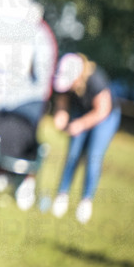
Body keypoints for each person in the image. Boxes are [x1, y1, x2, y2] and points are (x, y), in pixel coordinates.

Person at [50, 52, 121, 224]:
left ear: (78, 76)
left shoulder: (95, 80)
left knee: (93, 156)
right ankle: (62, 195)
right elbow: (62, 105)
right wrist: (60, 118)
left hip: (105, 117)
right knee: (73, 154)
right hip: (82, 112)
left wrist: (80, 124)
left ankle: (86, 201)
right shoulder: (65, 84)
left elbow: (102, 110)